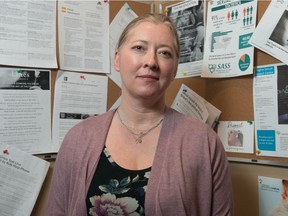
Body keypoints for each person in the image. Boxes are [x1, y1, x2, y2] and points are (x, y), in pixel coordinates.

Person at [45, 13, 233, 216]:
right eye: (139, 48)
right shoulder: (78, 138)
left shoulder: (204, 143)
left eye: (164, 53)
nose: (151, 61)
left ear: (175, 69)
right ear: (117, 59)